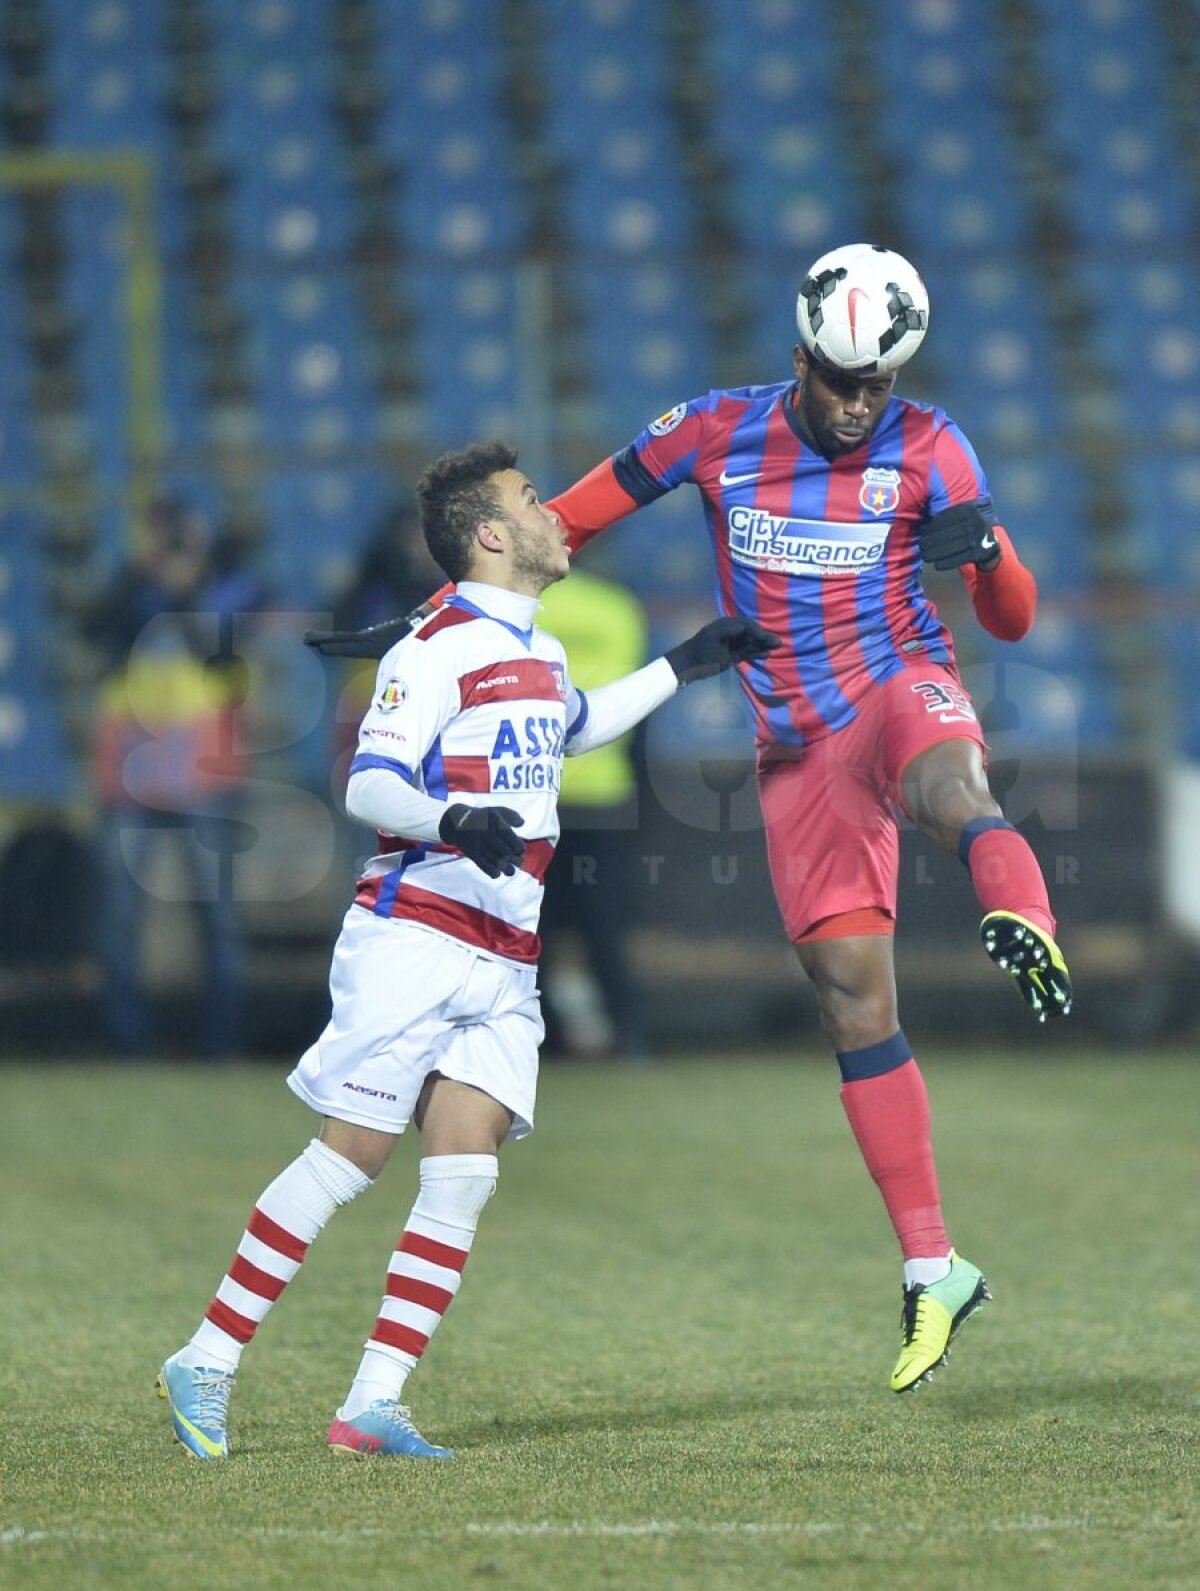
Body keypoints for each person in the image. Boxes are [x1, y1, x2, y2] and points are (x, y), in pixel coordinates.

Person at [379, 244, 1075, 1396]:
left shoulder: (935, 446)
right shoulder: (712, 430)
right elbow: (568, 522)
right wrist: (446, 616)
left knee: (955, 789)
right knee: (852, 997)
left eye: (880, 384)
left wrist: (991, 553)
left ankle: (1026, 916)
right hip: (796, 748)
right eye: (843, 380)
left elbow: (1012, 618)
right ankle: (936, 1266)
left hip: (899, 685)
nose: (861, 407)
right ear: (799, 356)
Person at [155, 441, 779, 1461]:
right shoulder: (433, 648)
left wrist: (685, 663)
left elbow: (571, 729)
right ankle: (207, 1357)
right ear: (492, 533)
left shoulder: (534, 643)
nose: (554, 513)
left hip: (505, 949)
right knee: (351, 1154)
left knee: (465, 1163)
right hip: (416, 933)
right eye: (534, 500)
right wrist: (453, 822)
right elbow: (369, 783)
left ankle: (372, 1404)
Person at [84, 497, 262, 1058]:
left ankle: (223, 1045)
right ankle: (126, 1044)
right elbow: (93, 630)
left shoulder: (230, 586)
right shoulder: (129, 590)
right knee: (119, 914)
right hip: (131, 766)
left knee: (217, 915)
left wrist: (184, 591)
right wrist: (140, 575)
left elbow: (219, 655)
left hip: (203, 768)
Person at [535, 564, 650, 1058]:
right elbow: (634, 702)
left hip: (531, 793)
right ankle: (629, 1038)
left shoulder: (525, 608)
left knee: (527, 928)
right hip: (603, 792)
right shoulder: (618, 608)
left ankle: (541, 1040)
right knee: (604, 927)